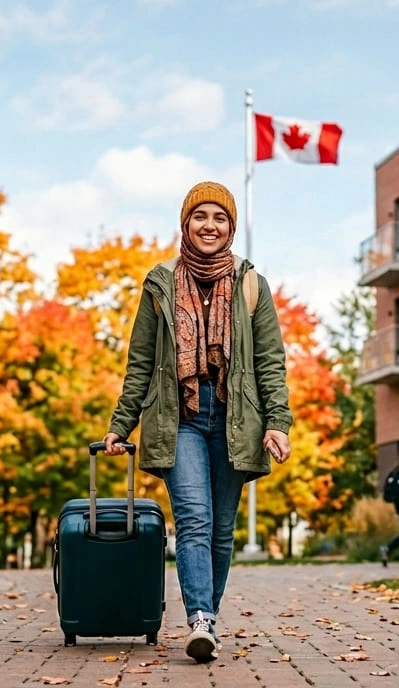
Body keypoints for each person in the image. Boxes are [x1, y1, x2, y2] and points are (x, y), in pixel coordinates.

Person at [102, 181, 293, 665]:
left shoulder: (251, 283)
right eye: (200, 216)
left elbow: (270, 361)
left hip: (236, 417)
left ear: (231, 227)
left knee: (222, 530)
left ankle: (209, 615)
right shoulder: (160, 282)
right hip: (179, 415)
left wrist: (278, 422)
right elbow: (141, 361)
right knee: (194, 519)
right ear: (185, 224)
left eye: (220, 218)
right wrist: (121, 424)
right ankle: (201, 619)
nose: (210, 226)